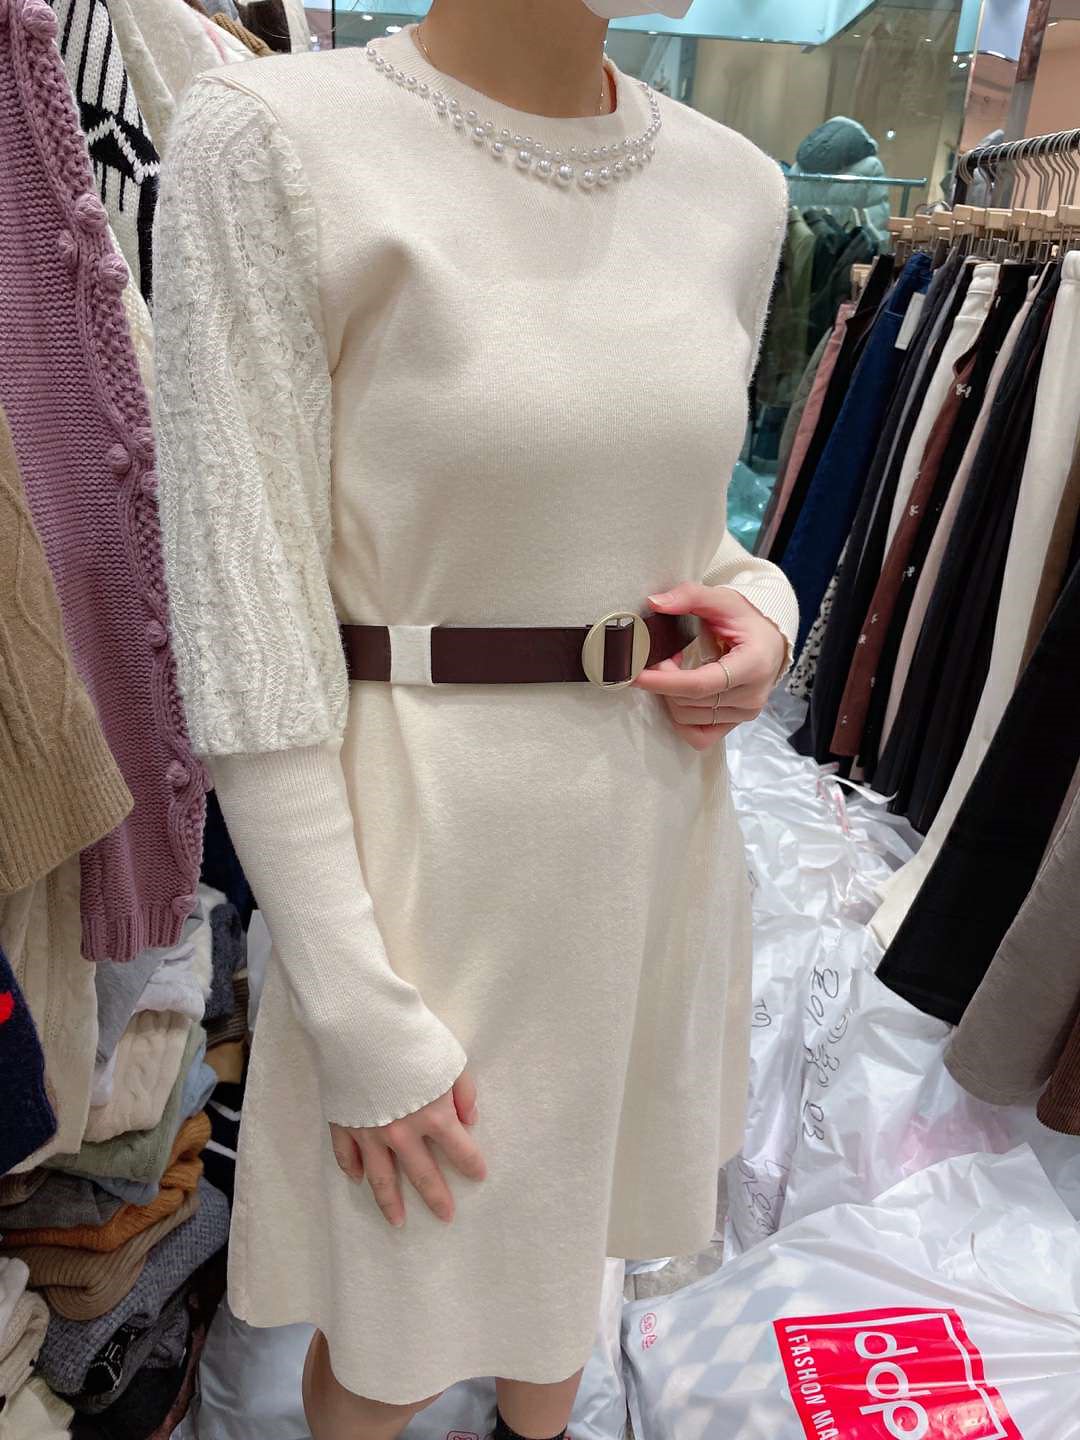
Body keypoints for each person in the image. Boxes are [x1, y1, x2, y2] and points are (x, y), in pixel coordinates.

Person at [151, 0, 799, 1436]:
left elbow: (687, 525)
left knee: (572, 1269)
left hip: (652, 841)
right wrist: (351, 1001)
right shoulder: (273, 143)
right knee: (395, 1324)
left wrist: (769, 613)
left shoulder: (739, 189)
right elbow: (248, 632)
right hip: (424, 862)